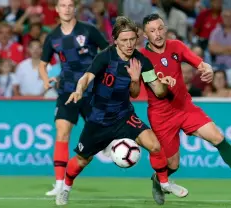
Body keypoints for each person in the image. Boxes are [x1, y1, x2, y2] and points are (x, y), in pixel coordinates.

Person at [55, 16, 188, 206]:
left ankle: (164, 183)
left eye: (132, 40)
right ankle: (65, 188)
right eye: (124, 40)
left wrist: (162, 84)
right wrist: (78, 90)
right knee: (83, 160)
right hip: (99, 119)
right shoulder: (105, 57)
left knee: (155, 146)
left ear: (137, 38)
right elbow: (86, 77)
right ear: (115, 40)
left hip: (124, 115)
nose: (129, 44)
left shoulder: (141, 61)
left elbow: (154, 91)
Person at [140, 14, 231, 205]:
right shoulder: (143, 58)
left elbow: (198, 62)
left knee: (218, 137)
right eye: (152, 31)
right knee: (172, 164)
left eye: (160, 28)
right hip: (161, 115)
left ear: (165, 28)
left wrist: (207, 69)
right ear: (145, 34)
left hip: (184, 107)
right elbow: (154, 91)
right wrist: (162, 84)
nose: (157, 34)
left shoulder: (177, 46)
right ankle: (158, 180)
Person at [39, 0, 109, 196]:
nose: (66, 9)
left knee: (101, 137)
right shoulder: (53, 37)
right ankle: (59, 183)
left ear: (74, 8)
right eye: (63, 5)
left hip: (91, 91)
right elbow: (42, 64)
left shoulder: (89, 30)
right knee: (62, 132)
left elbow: (108, 51)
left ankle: (110, 145)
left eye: (70, 5)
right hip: (67, 92)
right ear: (57, 9)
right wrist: (45, 81)